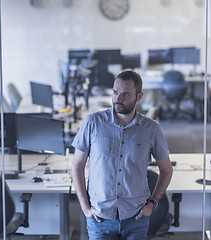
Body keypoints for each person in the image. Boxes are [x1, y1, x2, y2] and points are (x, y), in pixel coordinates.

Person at [71, 70, 173, 240]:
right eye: (115, 92)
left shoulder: (151, 129)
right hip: (99, 217)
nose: (118, 99)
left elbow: (167, 170)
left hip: (136, 217)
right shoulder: (93, 123)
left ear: (139, 96)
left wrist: (153, 203)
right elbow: (77, 165)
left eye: (125, 94)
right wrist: (84, 206)